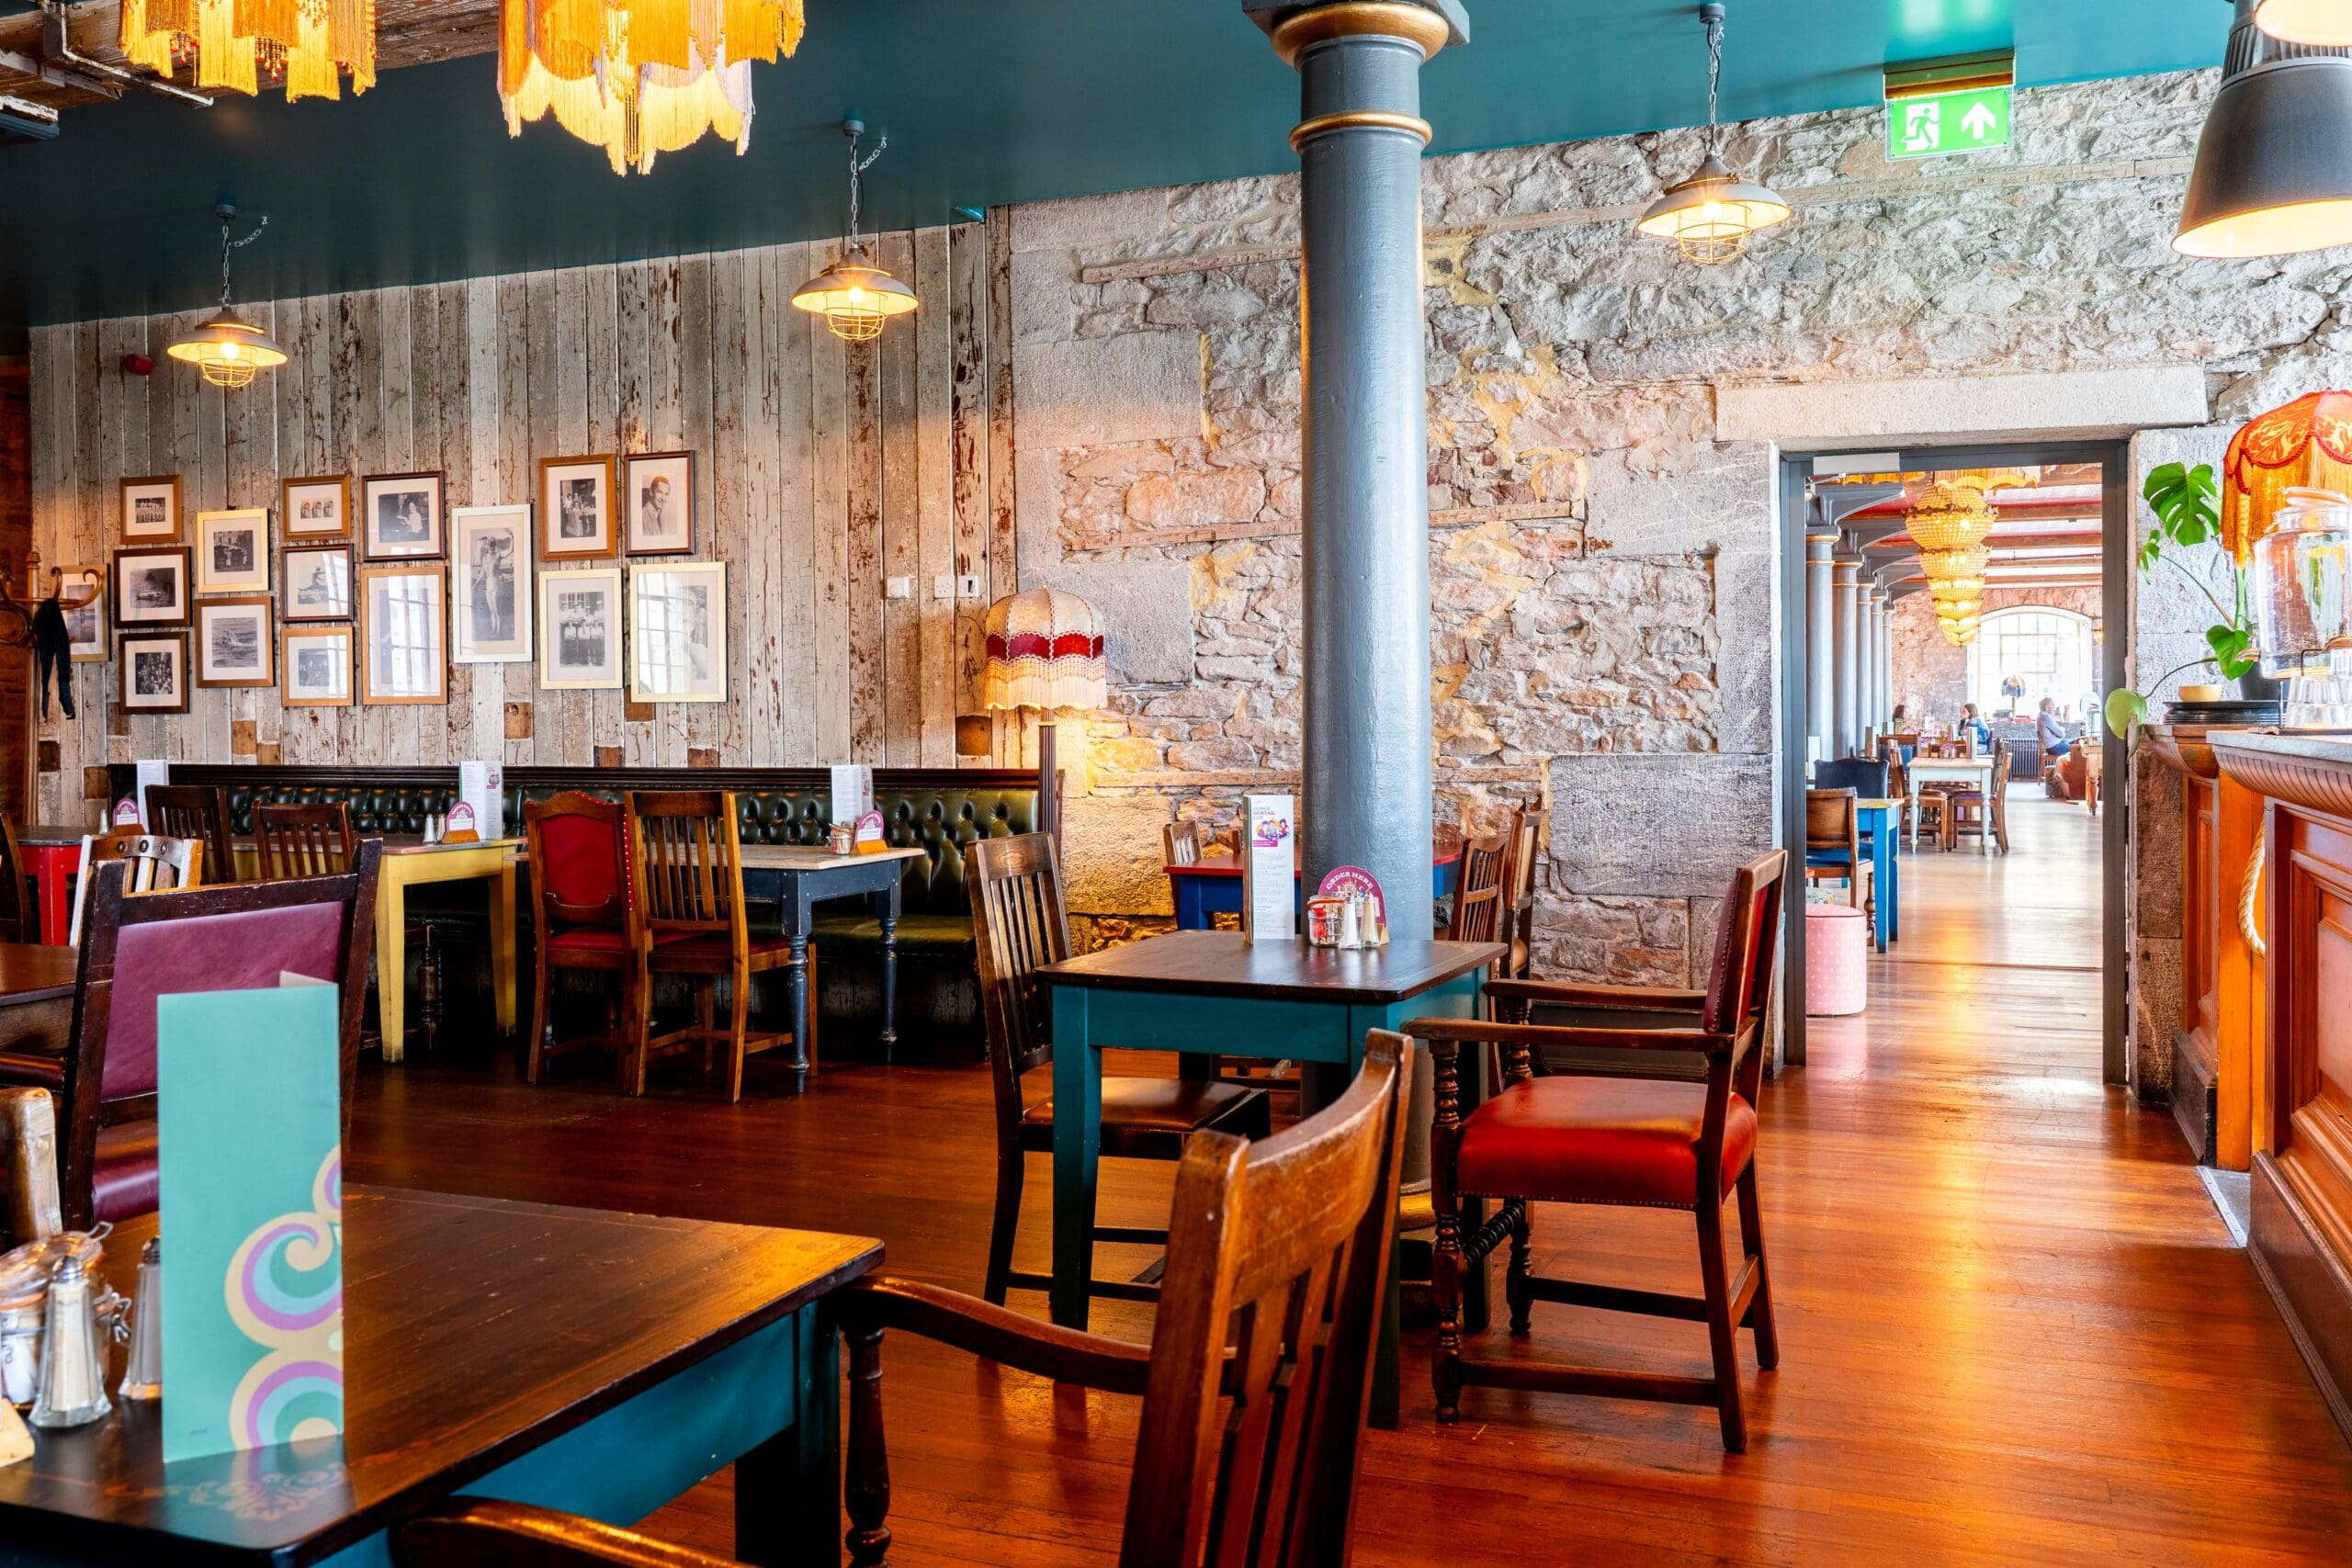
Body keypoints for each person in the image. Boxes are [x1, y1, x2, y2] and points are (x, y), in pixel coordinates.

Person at [2037, 695, 2070, 759]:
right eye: (2052, 705)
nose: (2054, 707)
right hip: (2055, 747)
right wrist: (2063, 729)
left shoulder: (2040, 716)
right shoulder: (2045, 717)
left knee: (2076, 741)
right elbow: (2061, 734)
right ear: (2047, 708)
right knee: (2078, 748)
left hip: (2052, 747)